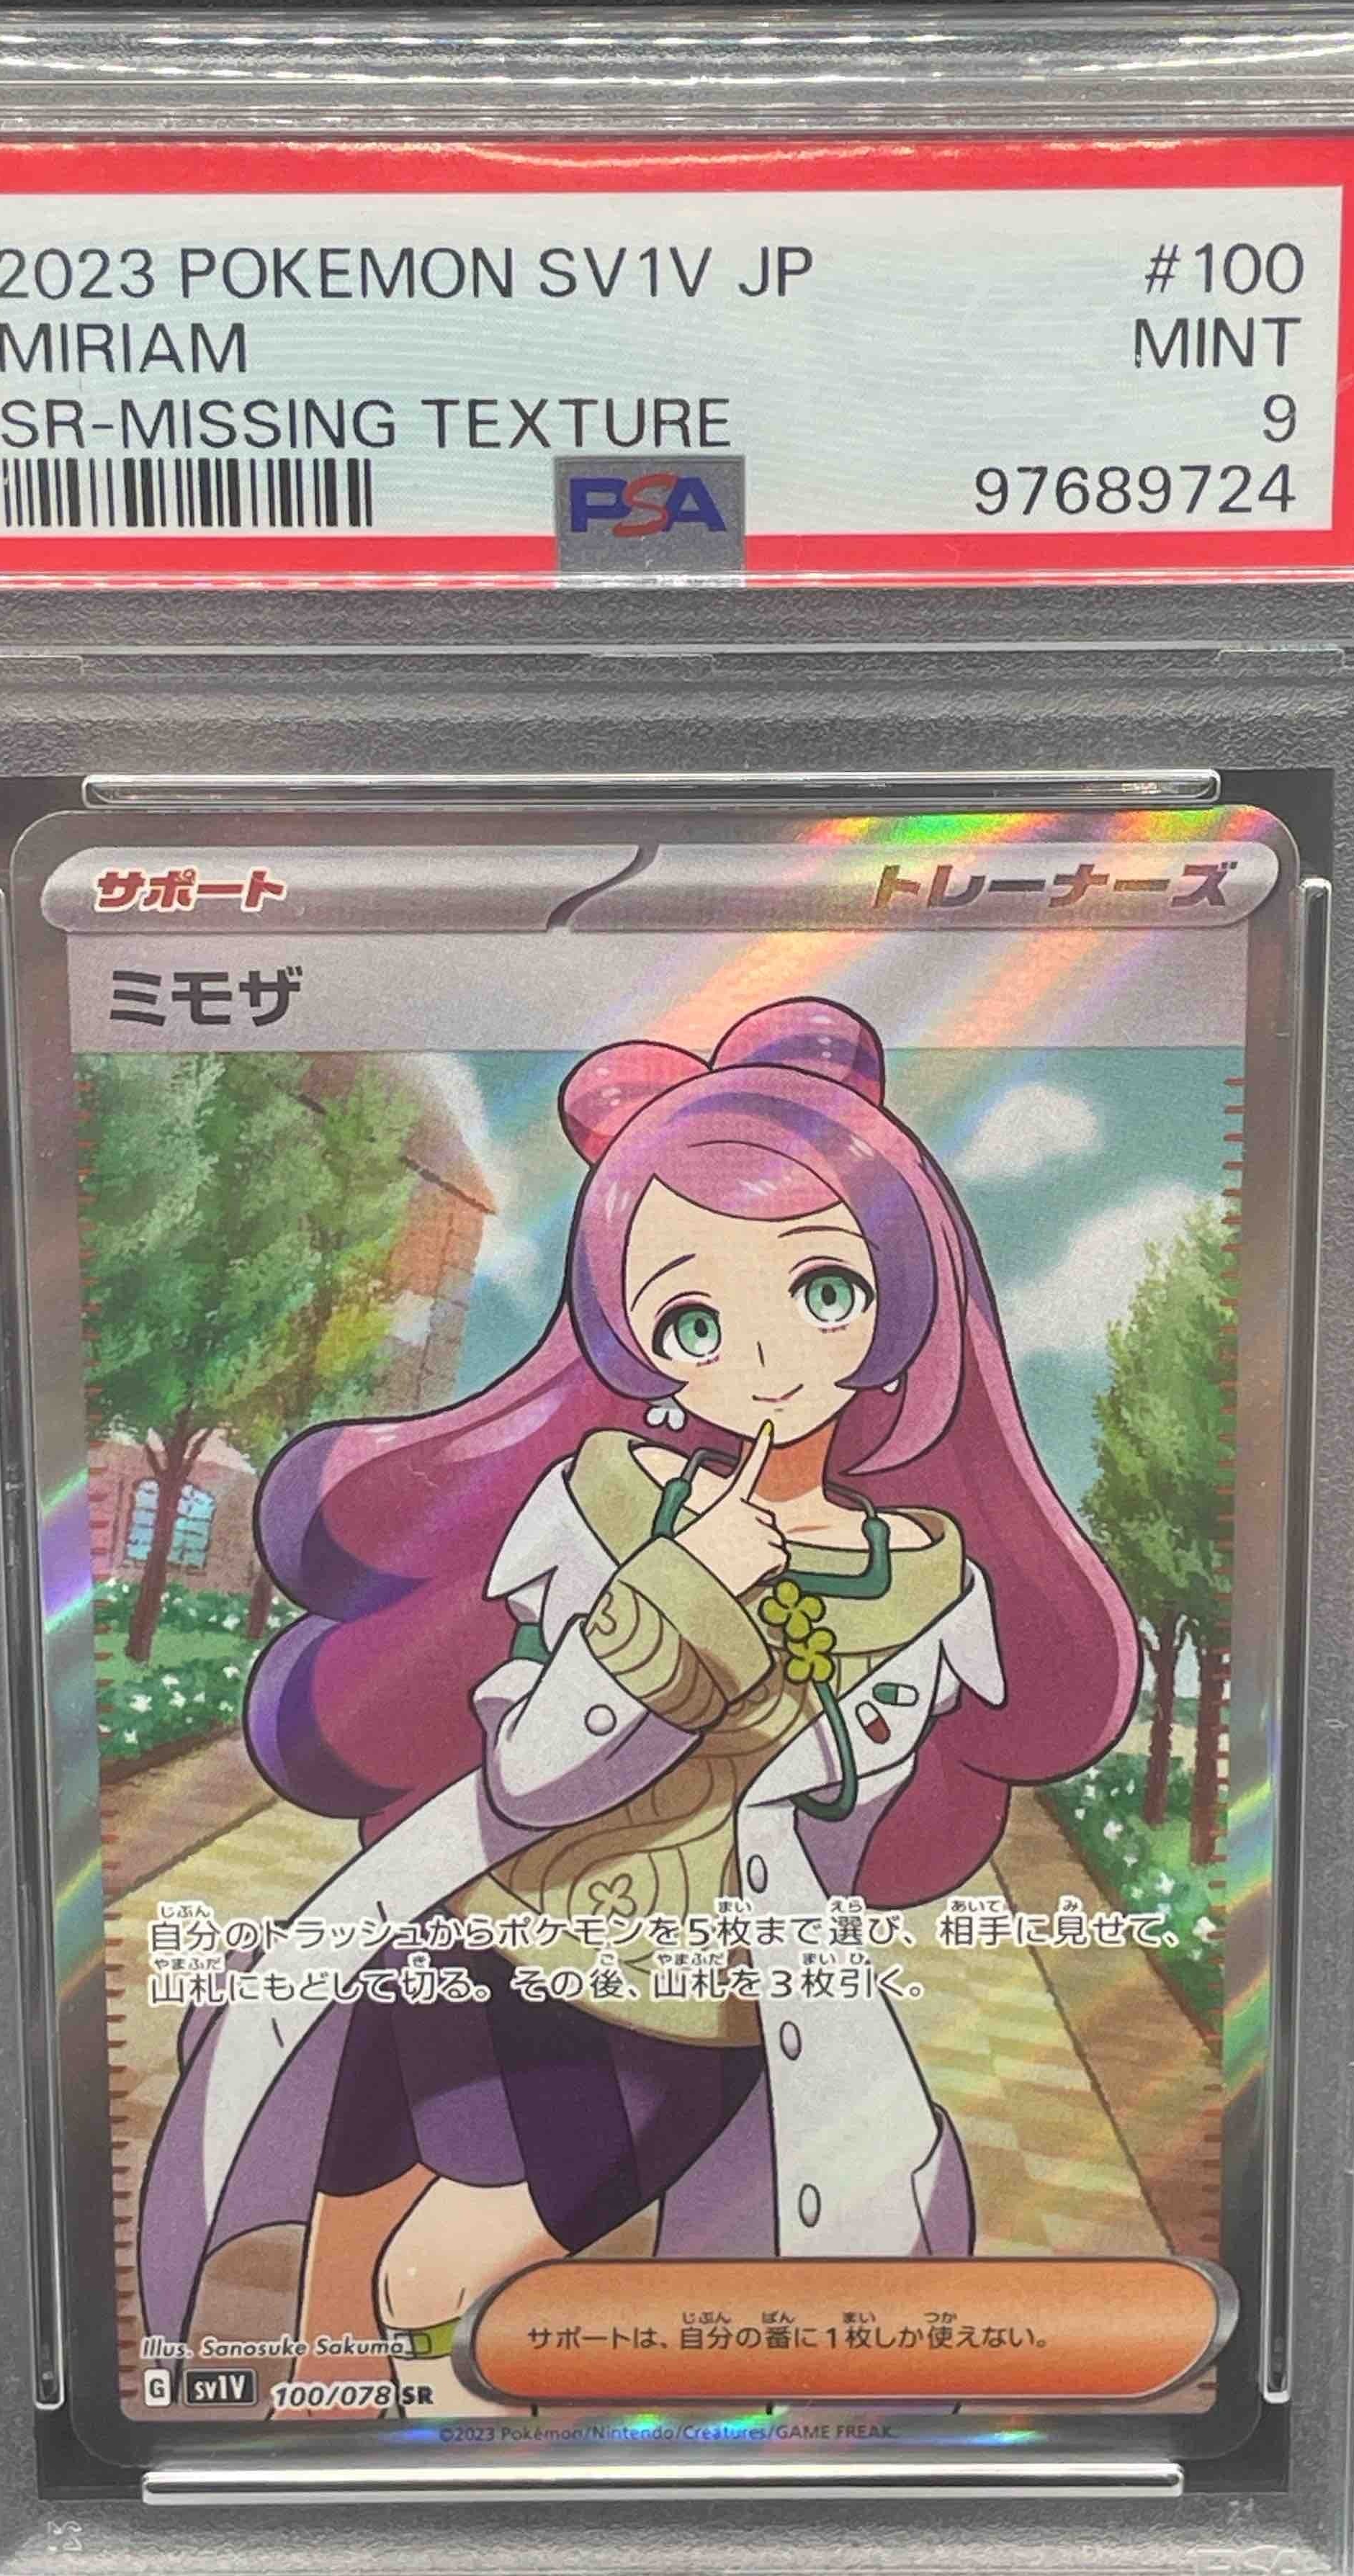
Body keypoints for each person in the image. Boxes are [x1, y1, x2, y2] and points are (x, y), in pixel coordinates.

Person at [138, 998, 1138, 2414]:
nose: (762, 1355)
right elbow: (540, 1771)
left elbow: (828, 1827)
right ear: (644, 1342)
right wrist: (687, 1579)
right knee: (335, 2268)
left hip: (682, 2011)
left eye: (822, 1290)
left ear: (899, 1302)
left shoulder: (924, 1586)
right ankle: (340, 2516)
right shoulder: (607, 1501)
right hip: (470, 1936)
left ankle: (481, 2517)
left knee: (437, 2296)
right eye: (694, 1317)